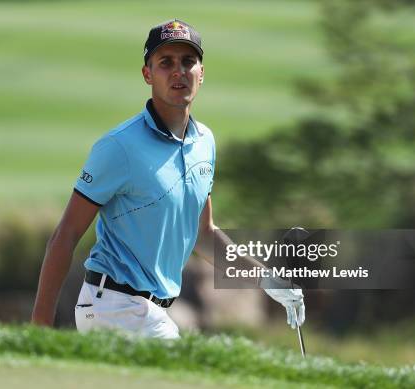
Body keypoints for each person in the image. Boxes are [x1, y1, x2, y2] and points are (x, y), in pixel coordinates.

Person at [31, 19, 305, 339]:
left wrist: (266, 280)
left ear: (201, 73)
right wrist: (40, 331)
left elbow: (203, 235)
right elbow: (65, 235)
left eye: (188, 61)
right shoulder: (119, 146)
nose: (179, 71)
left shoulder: (205, 142)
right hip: (113, 306)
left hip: (151, 311)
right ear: (148, 74)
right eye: (166, 62)